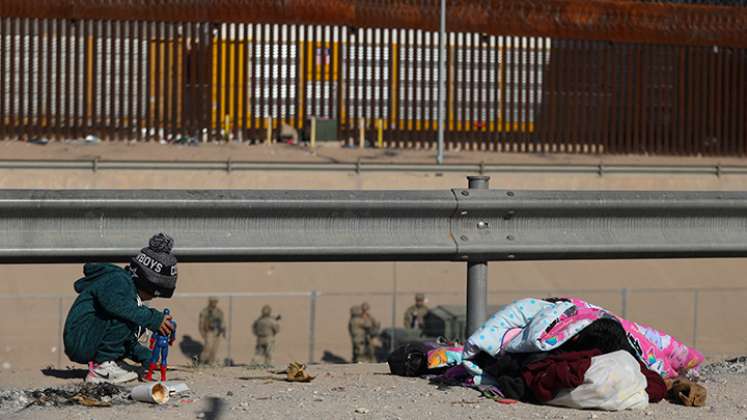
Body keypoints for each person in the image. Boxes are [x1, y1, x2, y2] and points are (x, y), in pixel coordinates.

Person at [63, 233, 178, 384]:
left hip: (90, 337)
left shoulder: (126, 290)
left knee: (132, 315)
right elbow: (118, 308)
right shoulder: (118, 281)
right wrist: (154, 319)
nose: (151, 299)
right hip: (81, 338)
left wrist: (148, 358)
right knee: (130, 314)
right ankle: (101, 369)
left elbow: (126, 339)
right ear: (146, 284)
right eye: (154, 294)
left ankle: (109, 362)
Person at [198, 297, 225, 366]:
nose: (214, 303)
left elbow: (222, 321)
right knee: (207, 348)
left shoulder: (219, 311)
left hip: (217, 332)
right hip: (209, 331)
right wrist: (202, 331)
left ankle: (211, 363)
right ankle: (201, 362)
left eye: (215, 301)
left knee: (214, 349)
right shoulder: (205, 311)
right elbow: (201, 322)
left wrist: (223, 330)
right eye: (213, 301)